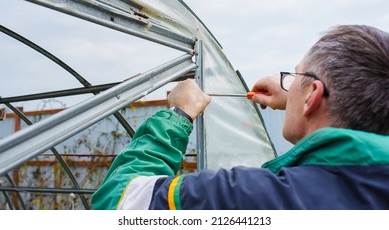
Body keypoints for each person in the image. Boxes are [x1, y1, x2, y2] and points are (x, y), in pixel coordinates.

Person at [91, 25, 389, 209]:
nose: (289, 81)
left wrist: (176, 116)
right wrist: (297, 96)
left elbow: (122, 203)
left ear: (312, 94)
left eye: (295, 75)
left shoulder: (254, 197)